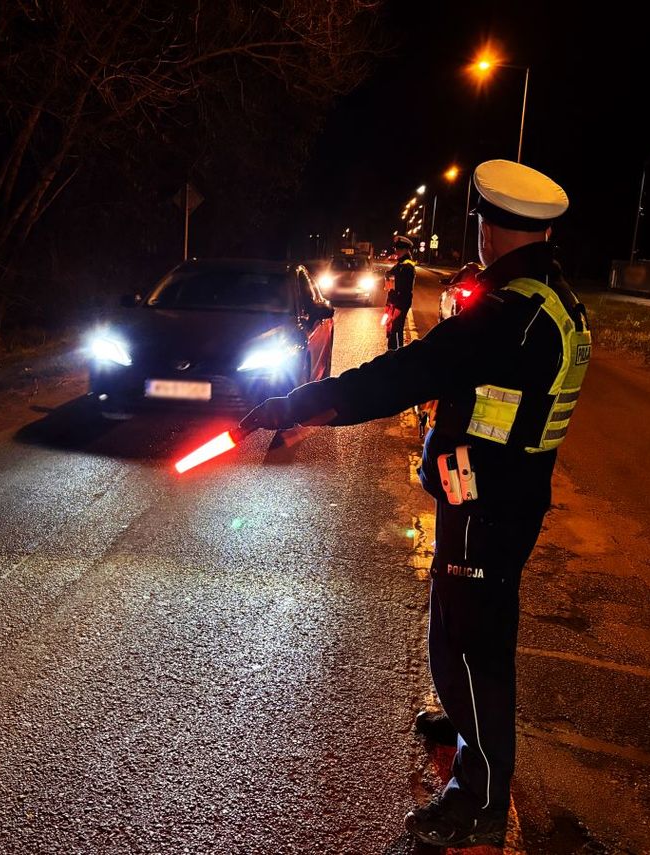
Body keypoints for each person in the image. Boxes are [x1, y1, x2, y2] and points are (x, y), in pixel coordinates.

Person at [240, 160, 591, 849]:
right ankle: (465, 730)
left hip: (487, 504)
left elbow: (403, 374)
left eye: (481, 224)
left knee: (471, 646)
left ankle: (479, 797)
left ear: (490, 227)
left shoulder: (509, 315)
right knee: (467, 630)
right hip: (499, 495)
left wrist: (299, 404)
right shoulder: (553, 299)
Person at [384, 236, 416, 350]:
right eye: (396, 249)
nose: (397, 251)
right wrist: (388, 304)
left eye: (400, 249)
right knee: (392, 331)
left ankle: (396, 355)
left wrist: (399, 308)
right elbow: (391, 285)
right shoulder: (399, 265)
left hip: (400, 304)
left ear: (406, 250)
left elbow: (405, 291)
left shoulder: (407, 267)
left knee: (396, 331)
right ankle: (393, 354)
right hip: (394, 302)